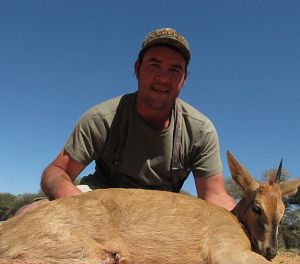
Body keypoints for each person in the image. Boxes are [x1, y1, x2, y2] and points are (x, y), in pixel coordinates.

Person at [41, 27, 236, 211]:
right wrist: (79, 207)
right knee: (33, 211)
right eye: (154, 65)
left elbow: (215, 196)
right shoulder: (101, 118)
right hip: (99, 204)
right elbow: (57, 171)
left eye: (174, 70)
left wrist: (248, 214)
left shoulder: (201, 130)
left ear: (184, 79)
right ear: (137, 68)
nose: (163, 78)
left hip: (162, 212)